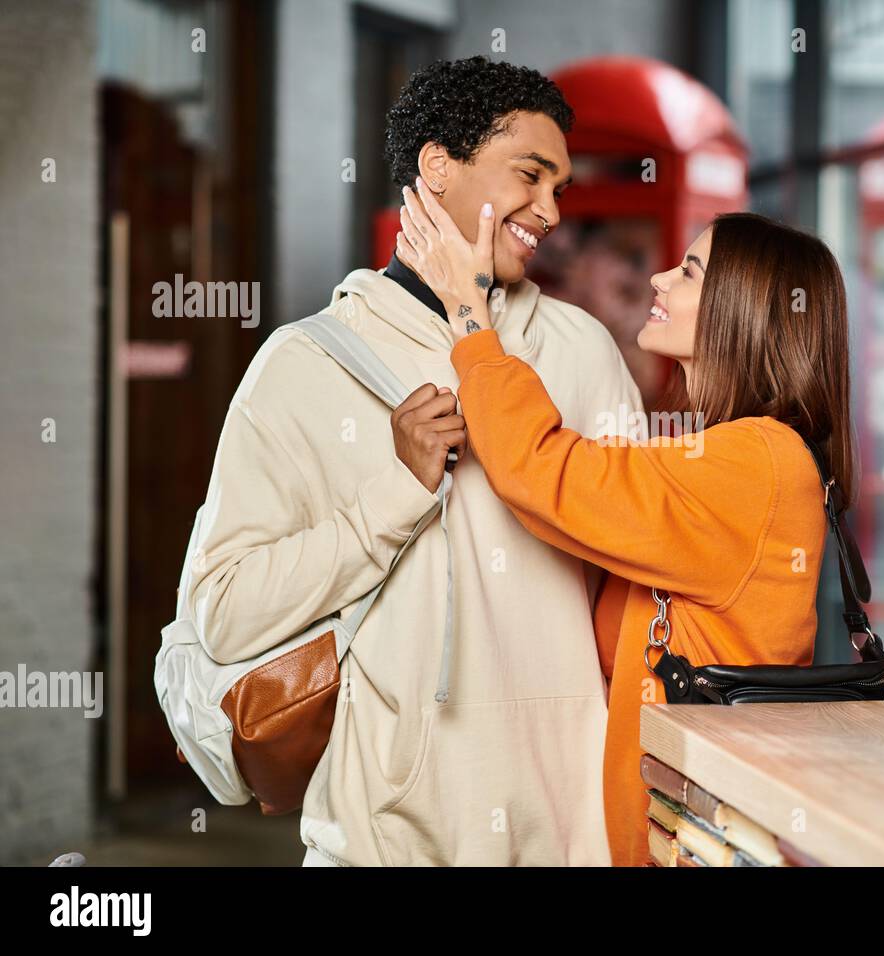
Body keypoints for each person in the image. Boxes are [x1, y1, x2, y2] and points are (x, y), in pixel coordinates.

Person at [185, 57, 642, 866]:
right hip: (381, 837)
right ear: (439, 166)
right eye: (530, 176)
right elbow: (224, 611)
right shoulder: (304, 364)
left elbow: (634, 585)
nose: (551, 211)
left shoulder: (582, 354)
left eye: (560, 189)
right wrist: (392, 497)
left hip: (573, 835)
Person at [397, 189, 856, 867]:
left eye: (691, 272)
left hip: (693, 842)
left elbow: (545, 471)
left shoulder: (755, 460)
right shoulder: (738, 450)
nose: (658, 278)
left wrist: (470, 316)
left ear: (746, 310)